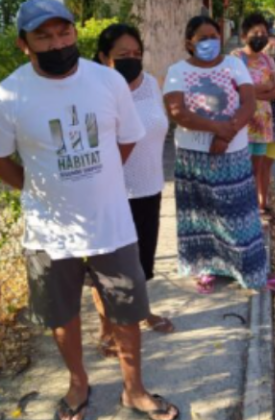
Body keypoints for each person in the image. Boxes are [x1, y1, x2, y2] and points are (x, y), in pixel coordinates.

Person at [0, 0, 178, 420]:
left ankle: (134, 389)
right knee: (62, 312)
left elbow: (127, 138)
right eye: (43, 36)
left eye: (64, 32)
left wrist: (98, 180)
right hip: (49, 231)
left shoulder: (108, 83)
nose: (57, 43)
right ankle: (77, 383)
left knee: (126, 307)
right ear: (23, 44)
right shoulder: (6, 96)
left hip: (111, 222)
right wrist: (36, 188)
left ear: (75, 33)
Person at [164, 16, 275, 295]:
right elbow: (178, 112)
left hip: (232, 153)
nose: (210, 42)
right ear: (189, 43)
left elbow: (248, 101)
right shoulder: (177, 71)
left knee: (239, 212)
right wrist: (218, 129)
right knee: (202, 213)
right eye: (203, 38)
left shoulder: (233, 64)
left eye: (214, 36)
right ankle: (206, 267)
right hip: (193, 156)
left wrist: (225, 135)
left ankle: (248, 268)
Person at [91, 23, 174, 359]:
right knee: (105, 268)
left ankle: (142, 312)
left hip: (149, 186)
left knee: (141, 264)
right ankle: (106, 327)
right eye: (122, 55)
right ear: (102, 57)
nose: (131, 60)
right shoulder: (94, 91)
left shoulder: (152, 84)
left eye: (136, 54)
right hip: (109, 193)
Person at [231, 13, 275, 216]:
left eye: (263, 32)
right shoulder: (235, 58)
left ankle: (251, 208)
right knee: (239, 169)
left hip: (262, 123)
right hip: (241, 122)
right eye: (255, 32)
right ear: (244, 36)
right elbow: (234, 90)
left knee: (256, 169)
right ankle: (238, 207)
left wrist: (251, 89)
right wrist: (264, 88)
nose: (260, 36)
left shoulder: (268, 60)